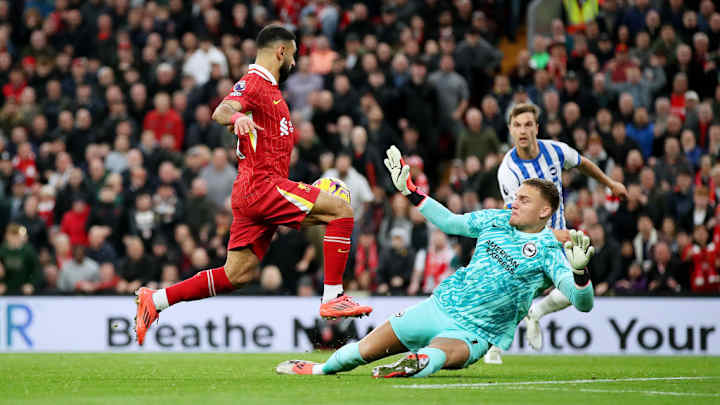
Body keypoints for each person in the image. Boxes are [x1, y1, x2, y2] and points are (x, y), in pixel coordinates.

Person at [134, 25, 371, 346]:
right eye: (294, 55)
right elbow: (222, 109)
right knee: (341, 209)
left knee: (237, 274)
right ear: (281, 52)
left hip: (253, 192)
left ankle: (156, 300)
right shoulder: (256, 83)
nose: (294, 63)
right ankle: (333, 296)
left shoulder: (270, 90)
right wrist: (236, 118)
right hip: (263, 187)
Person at [276, 147, 595, 378]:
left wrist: (580, 273)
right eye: (516, 196)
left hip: (475, 331)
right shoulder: (495, 219)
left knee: (439, 353)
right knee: (363, 351)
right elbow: (450, 222)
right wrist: (412, 192)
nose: (514, 202)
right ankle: (319, 369)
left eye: (524, 200)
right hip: (438, 307)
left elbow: (582, 301)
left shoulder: (551, 250)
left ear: (544, 212)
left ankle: (412, 365)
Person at [489, 103, 627, 363]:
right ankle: (493, 346)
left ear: (537, 128)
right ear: (510, 130)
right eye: (517, 125)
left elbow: (582, 163)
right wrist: (549, 235)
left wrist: (610, 183)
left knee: (578, 295)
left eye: (528, 124)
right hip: (528, 241)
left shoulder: (554, 150)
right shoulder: (508, 170)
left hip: (559, 239)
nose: (523, 130)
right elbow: (516, 219)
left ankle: (537, 313)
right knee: (514, 291)